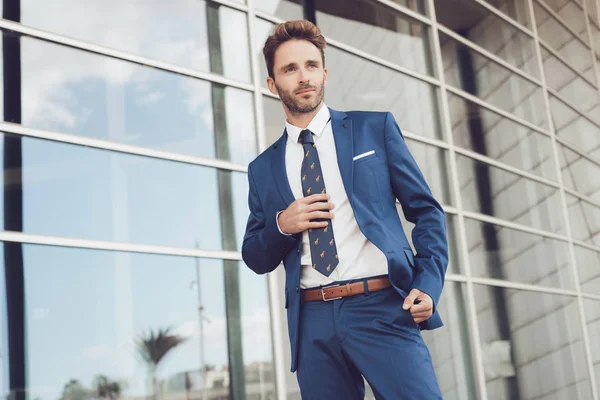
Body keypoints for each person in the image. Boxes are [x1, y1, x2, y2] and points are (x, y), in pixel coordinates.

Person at [242, 19, 448, 399]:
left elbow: (426, 211)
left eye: (310, 65)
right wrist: (283, 224)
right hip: (312, 322)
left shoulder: (374, 130)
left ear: (324, 72)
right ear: (273, 84)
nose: (303, 76)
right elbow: (254, 255)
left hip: (384, 307)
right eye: (289, 69)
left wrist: (428, 284)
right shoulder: (262, 169)